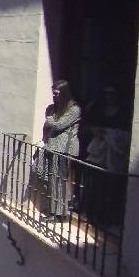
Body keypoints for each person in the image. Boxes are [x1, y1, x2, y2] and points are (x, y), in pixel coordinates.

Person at [39, 80, 81, 221]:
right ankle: (52, 211)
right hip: (53, 147)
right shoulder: (54, 108)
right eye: (53, 93)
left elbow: (58, 125)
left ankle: (59, 213)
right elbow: (49, 121)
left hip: (64, 149)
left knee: (60, 181)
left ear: (64, 93)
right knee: (52, 181)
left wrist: (49, 119)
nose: (54, 96)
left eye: (57, 93)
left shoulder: (74, 109)